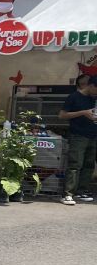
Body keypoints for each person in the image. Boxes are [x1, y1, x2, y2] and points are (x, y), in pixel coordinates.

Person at [58, 74, 97, 205]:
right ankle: (68, 194)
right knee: (75, 164)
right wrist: (83, 112)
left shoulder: (94, 98)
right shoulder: (74, 97)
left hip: (94, 135)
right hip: (78, 135)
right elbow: (62, 115)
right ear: (91, 86)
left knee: (89, 165)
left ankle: (82, 191)